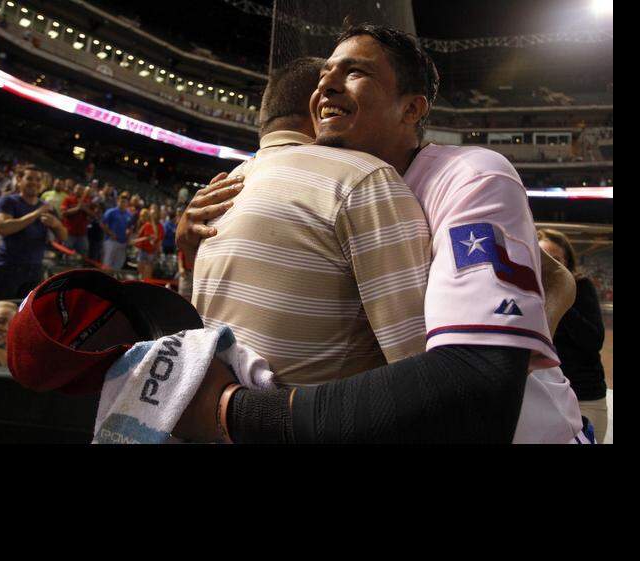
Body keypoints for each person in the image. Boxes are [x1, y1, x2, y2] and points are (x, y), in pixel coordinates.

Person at [175, 24, 584, 444]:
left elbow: (475, 383)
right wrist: (190, 248)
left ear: (411, 110)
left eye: (355, 73)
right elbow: (553, 278)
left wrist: (231, 410)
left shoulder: (471, 175)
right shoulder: (341, 188)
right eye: (324, 75)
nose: (327, 84)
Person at [191, 56, 432, 386]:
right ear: (319, 107)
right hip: (302, 423)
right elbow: (419, 366)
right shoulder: (363, 178)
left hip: (211, 422)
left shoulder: (223, 185)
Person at [537, 228, 608, 435]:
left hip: (584, 397)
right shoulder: (526, 293)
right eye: (544, 259)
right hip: (545, 396)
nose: (549, 266)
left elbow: (593, 340)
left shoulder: (582, 287)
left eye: (556, 260)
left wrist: (561, 294)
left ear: (567, 263)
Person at [0, 166, 68, 299]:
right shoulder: (8, 201)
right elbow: (3, 228)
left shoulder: (47, 207)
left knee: (26, 317)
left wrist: (56, 224)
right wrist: (37, 213)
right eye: (29, 178)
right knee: (2, 313)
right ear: (19, 180)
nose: (34, 182)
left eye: (38, 180)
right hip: (8, 269)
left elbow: (63, 236)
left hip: (35, 270)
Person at [100, 192, 132, 271]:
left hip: (123, 242)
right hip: (111, 241)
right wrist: (110, 233)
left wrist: (128, 237)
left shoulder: (129, 215)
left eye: (125, 202)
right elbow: (102, 224)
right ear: (118, 201)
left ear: (127, 203)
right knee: (107, 264)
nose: (123, 203)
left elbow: (130, 228)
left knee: (118, 265)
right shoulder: (111, 211)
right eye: (121, 201)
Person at [131, 204, 163, 280]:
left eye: (155, 211)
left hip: (151, 252)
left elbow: (157, 239)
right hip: (142, 251)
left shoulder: (160, 226)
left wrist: (158, 251)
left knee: (147, 275)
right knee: (140, 272)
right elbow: (139, 236)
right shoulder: (146, 224)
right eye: (152, 210)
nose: (153, 212)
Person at [60, 184, 91, 257]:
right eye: (77, 189)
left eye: (81, 189)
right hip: (69, 233)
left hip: (82, 234)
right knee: (66, 253)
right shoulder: (68, 199)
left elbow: (94, 215)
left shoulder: (88, 201)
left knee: (83, 255)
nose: (79, 191)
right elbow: (63, 213)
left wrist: (85, 209)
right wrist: (77, 209)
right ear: (74, 189)